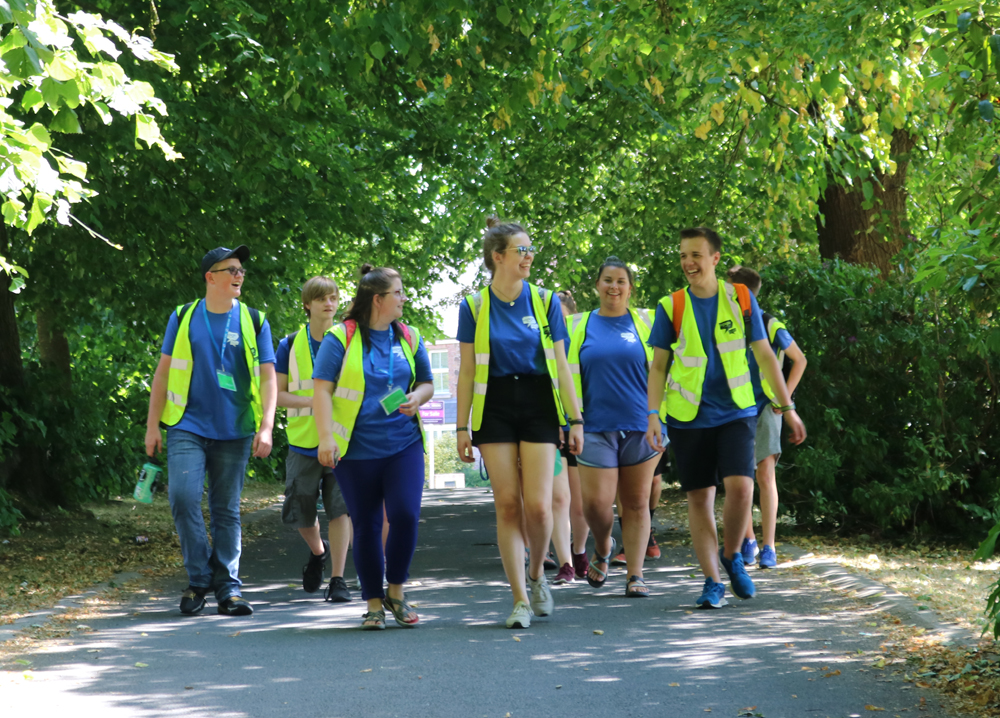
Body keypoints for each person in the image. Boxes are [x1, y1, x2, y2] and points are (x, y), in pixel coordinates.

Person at [646, 227, 806, 609]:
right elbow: (658, 368)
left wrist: (788, 409)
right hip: (688, 417)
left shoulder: (740, 298)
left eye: (696, 255)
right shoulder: (671, 306)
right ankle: (712, 582)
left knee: (742, 487)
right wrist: (653, 414)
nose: (688, 263)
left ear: (715, 259)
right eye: (684, 255)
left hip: (737, 410)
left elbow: (767, 357)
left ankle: (733, 554)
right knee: (700, 498)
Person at [456, 216, 584, 629]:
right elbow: (465, 373)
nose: (529, 256)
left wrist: (575, 418)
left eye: (530, 249)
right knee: (508, 504)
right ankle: (519, 600)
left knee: (540, 506)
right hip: (493, 405)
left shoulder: (545, 301)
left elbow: (561, 366)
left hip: (538, 403)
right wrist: (462, 427)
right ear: (498, 257)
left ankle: (536, 576)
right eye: (521, 250)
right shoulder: (474, 305)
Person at [145, 246, 277, 616]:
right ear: (210, 277)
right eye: (231, 269)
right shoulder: (183, 316)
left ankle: (228, 589)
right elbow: (163, 373)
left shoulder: (254, 319)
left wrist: (266, 427)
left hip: (235, 429)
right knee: (184, 498)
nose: (239, 275)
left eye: (241, 270)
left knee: (226, 511)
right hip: (187, 424)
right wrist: (153, 425)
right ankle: (199, 578)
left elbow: (268, 378)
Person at [313, 265, 433, 630]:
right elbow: (321, 390)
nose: (404, 298)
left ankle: (396, 591)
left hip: (404, 444)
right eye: (398, 293)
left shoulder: (409, 337)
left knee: (406, 515)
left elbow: (426, 382)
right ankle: (374, 605)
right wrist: (326, 437)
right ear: (378, 300)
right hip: (356, 450)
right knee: (365, 525)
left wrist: (417, 397)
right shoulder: (340, 338)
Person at [567, 257, 659, 597]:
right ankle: (604, 546)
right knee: (595, 504)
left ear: (630, 288)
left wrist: (660, 417)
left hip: (641, 425)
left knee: (636, 503)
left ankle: (635, 575)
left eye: (621, 281)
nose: (614, 287)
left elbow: (664, 370)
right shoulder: (579, 325)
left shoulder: (647, 323)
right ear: (597, 285)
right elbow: (564, 376)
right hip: (593, 427)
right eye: (607, 280)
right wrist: (571, 420)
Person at [275, 276, 352, 602]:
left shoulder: (351, 341)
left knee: (340, 510)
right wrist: (313, 402)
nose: (329, 303)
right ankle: (318, 553)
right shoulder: (289, 345)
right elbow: (277, 395)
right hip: (303, 441)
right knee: (301, 512)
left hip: (343, 442)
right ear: (308, 304)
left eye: (333, 297)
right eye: (321, 298)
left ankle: (338, 579)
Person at [726, 266, 808, 569]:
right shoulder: (726, 325)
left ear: (740, 292)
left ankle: (769, 546)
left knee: (764, 475)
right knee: (740, 477)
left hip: (765, 407)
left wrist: (783, 399)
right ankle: (748, 540)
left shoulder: (769, 323)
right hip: (734, 407)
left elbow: (799, 359)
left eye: (729, 288)